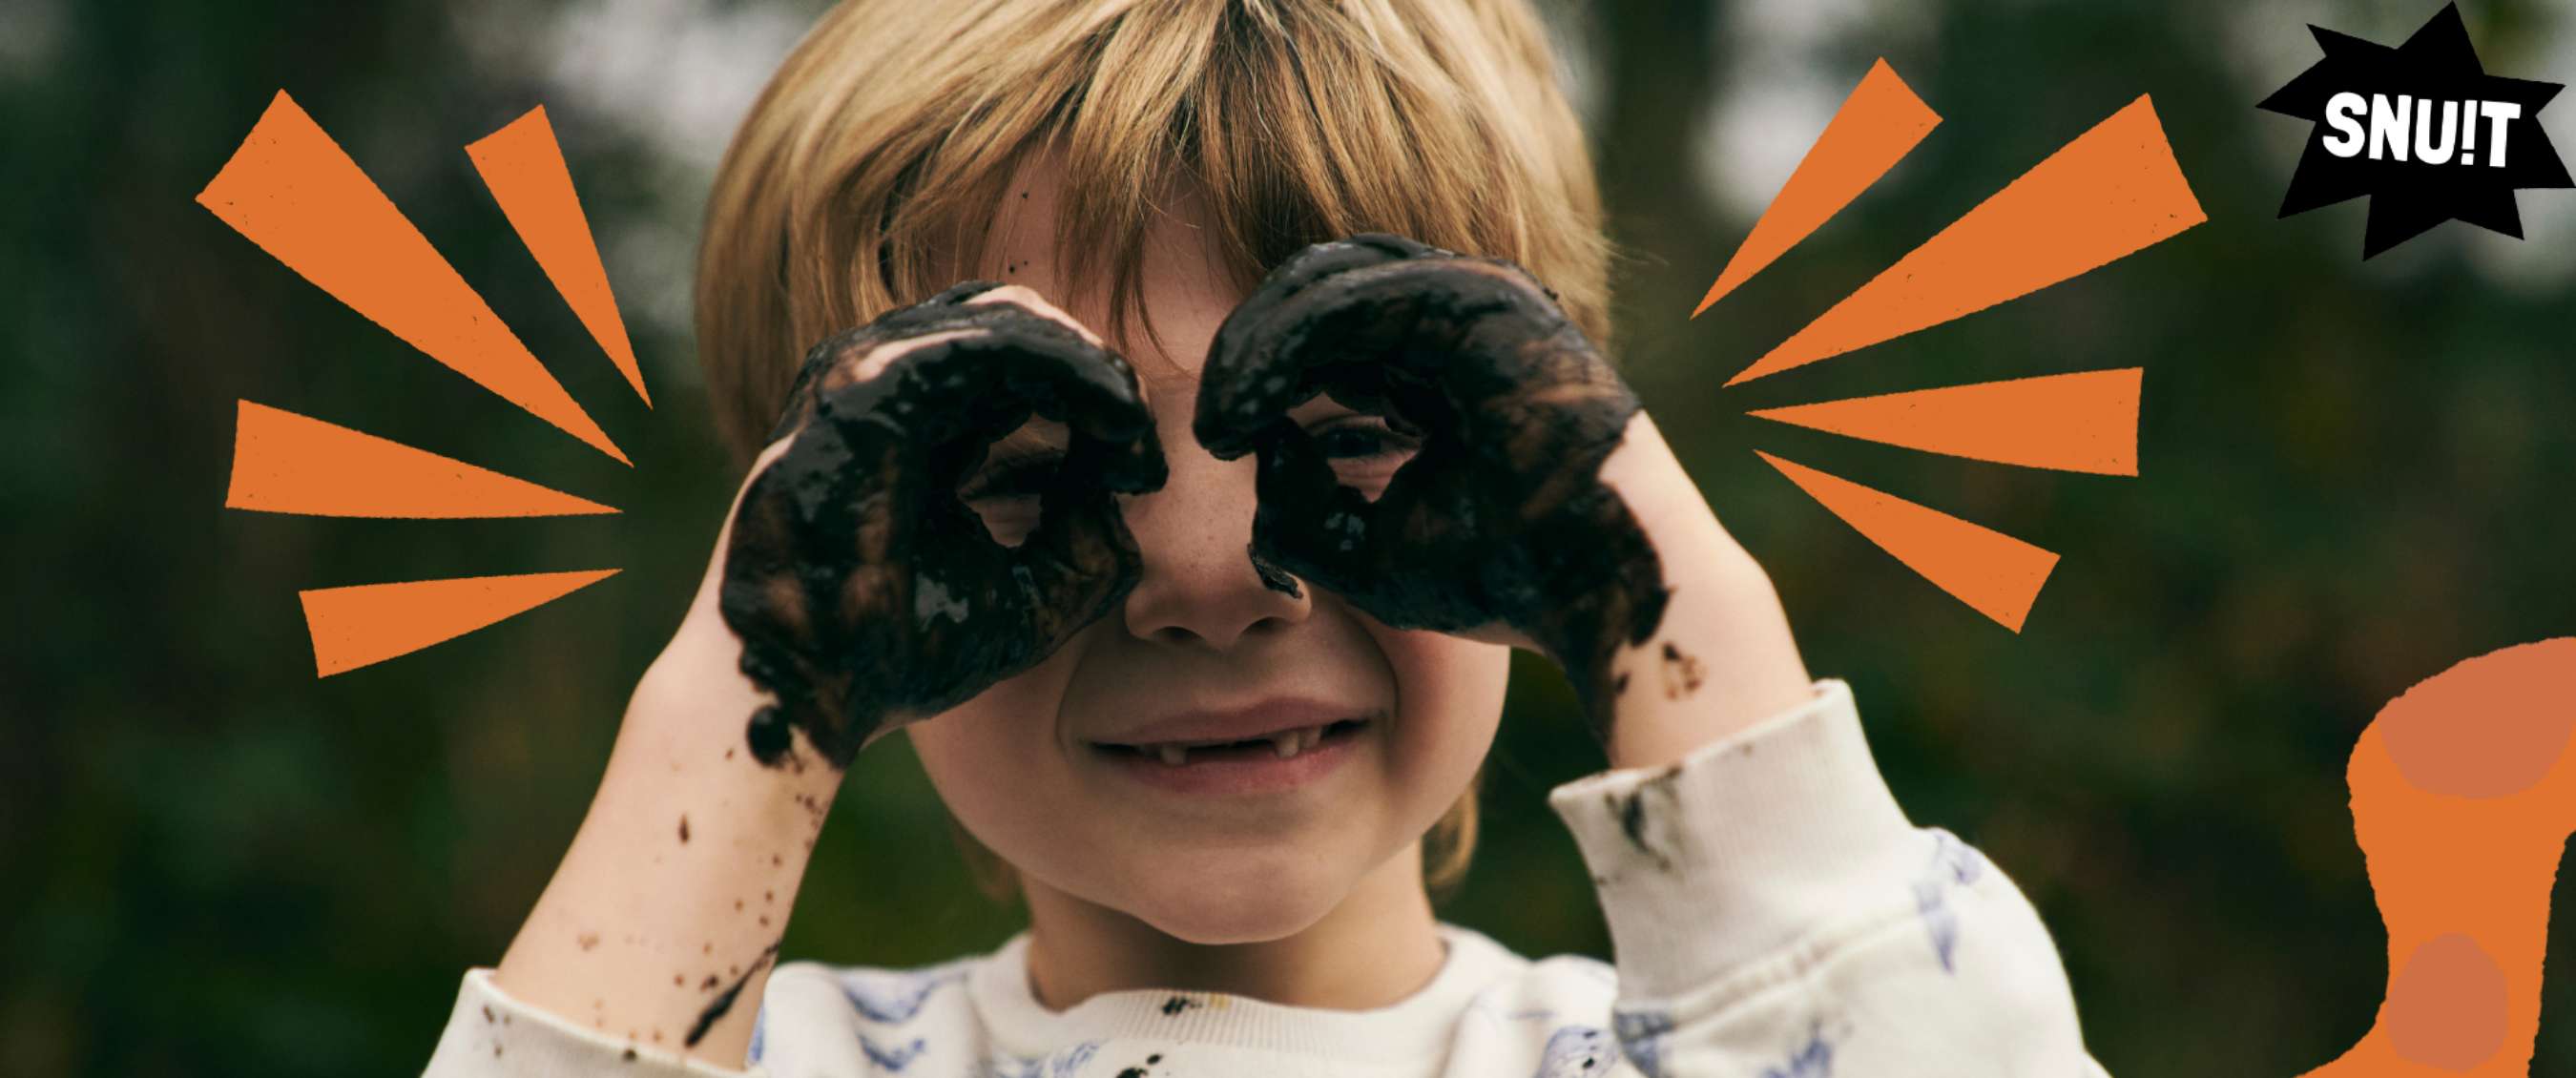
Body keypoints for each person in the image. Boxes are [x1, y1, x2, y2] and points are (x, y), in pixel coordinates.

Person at [425, 1, 2109, 1074]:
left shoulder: (1691, 1045)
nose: (1215, 571)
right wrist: (745, 697)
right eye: (1024, 465)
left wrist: (1663, 604)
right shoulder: (730, 1050)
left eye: (1362, 431)